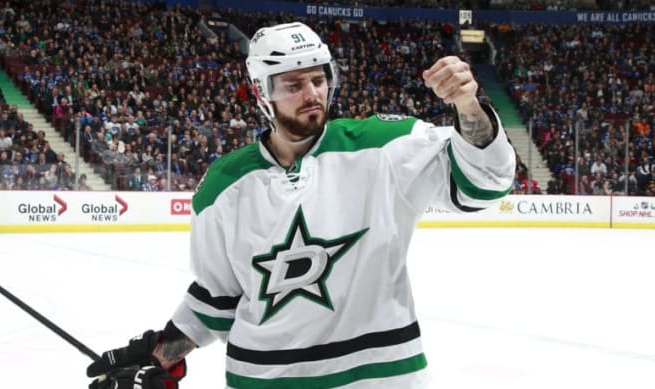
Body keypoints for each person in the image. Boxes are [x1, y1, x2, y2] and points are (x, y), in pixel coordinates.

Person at [87, 22, 515, 389]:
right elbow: (218, 300)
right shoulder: (223, 187)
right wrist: (165, 353)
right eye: (293, 84)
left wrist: (467, 105)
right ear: (262, 92)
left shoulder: (384, 148)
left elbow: (484, 183)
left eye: (319, 79)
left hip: (382, 378)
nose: (312, 93)